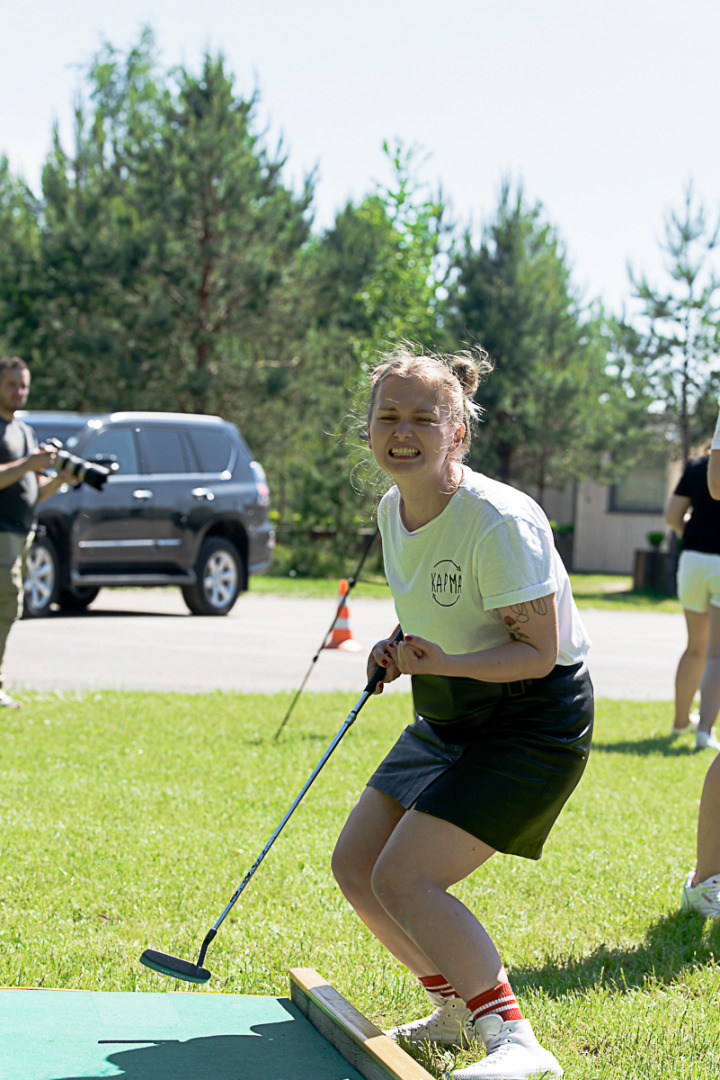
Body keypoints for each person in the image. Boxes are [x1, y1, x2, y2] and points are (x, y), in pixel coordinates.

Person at [331, 345, 593, 1080]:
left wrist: (441, 661)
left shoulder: (499, 521)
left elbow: (538, 652)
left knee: (408, 877)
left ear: (459, 433)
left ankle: (514, 1040)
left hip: (532, 721)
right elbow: (441, 609)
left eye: (423, 417)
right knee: (357, 867)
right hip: (448, 712)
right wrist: (398, 646)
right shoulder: (394, 507)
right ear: (371, 429)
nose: (402, 431)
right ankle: (451, 1010)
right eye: (388, 416)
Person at [0, 356, 70, 707]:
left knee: (10, 606)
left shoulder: (23, 431)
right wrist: (28, 463)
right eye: (11, 384)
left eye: (23, 384)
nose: (18, 391)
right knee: (6, 601)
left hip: (21, 532)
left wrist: (59, 479)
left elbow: (36, 491)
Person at [665, 442, 720, 751]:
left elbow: (673, 516)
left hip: (693, 561)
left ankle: (680, 722)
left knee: (695, 647)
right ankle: (705, 731)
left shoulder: (698, 467)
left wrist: (695, 530)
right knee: (717, 652)